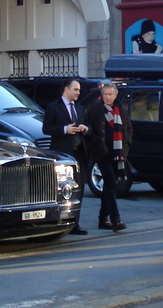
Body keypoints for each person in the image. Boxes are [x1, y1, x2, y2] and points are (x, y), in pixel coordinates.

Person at [42, 78, 90, 234]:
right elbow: (46, 128)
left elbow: (89, 127)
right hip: (63, 154)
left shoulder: (80, 108)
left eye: (79, 90)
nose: (78, 92)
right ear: (66, 89)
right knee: (62, 188)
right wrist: (64, 129)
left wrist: (85, 129)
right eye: (75, 89)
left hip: (79, 153)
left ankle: (75, 223)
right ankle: (60, 220)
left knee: (79, 188)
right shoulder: (54, 108)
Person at [86, 81, 130, 232]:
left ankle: (102, 219)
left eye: (110, 94)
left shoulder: (120, 109)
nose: (108, 97)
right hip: (102, 152)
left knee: (111, 185)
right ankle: (115, 219)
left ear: (115, 95)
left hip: (117, 152)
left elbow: (128, 129)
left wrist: (126, 146)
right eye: (105, 94)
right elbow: (90, 130)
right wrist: (96, 144)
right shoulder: (95, 109)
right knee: (111, 182)